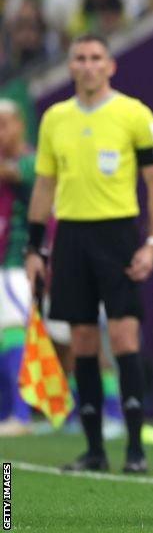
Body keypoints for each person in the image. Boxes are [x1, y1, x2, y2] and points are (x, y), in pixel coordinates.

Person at [24, 34, 153, 473]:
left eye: (95, 58)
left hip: (118, 234)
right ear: (70, 67)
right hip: (71, 236)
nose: (88, 66)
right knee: (82, 341)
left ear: (110, 66)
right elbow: (45, 184)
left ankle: (135, 449)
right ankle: (93, 450)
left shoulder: (134, 113)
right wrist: (35, 248)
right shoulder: (54, 118)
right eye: (80, 59)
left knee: (124, 337)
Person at [0, 99, 36, 437]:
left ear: (20, 125)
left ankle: (21, 415)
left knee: (14, 335)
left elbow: (14, 173)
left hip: (16, 264)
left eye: (4, 124)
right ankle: (7, 414)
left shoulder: (28, 160)